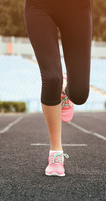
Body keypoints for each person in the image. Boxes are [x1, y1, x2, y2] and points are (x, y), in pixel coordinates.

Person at [24, 0, 92, 176]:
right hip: (39, 5)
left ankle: (65, 90)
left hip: (77, 7)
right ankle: (56, 154)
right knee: (51, 78)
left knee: (79, 94)